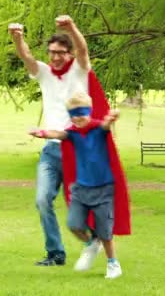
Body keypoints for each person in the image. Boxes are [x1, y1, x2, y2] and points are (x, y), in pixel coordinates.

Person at [9, 15, 94, 266]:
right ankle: (56, 254)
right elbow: (26, 57)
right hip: (50, 150)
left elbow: (83, 49)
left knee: (80, 204)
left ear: (69, 54)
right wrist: (18, 39)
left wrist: (72, 27)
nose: (55, 57)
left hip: (76, 149)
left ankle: (95, 239)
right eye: (51, 52)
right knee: (42, 200)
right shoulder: (44, 74)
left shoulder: (79, 71)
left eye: (60, 52)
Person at [29, 92, 128, 279]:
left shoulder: (99, 128)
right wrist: (41, 133)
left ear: (88, 112)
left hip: (103, 189)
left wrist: (111, 118)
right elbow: (58, 134)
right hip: (81, 190)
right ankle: (91, 243)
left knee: (105, 232)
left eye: (80, 113)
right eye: (73, 114)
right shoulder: (73, 133)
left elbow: (106, 124)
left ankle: (112, 263)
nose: (77, 118)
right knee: (74, 224)